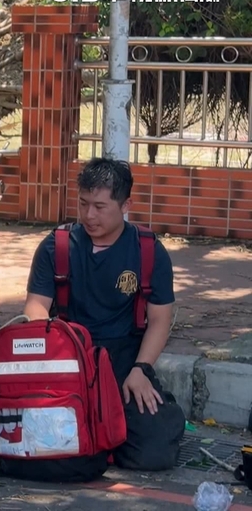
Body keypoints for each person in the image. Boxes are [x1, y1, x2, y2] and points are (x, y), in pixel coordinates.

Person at [23, 157, 185, 471]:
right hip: (70, 356)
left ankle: (153, 415)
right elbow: (35, 307)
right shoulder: (56, 246)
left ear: (126, 205)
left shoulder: (149, 251)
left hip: (123, 362)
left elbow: (160, 321)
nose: (89, 215)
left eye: (100, 206)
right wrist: (48, 359)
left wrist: (141, 369)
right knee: (39, 443)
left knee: (154, 452)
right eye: (83, 204)